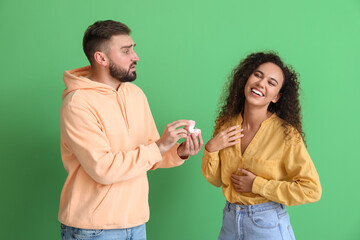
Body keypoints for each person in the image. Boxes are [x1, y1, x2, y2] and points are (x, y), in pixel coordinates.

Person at [58, 20, 203, 240]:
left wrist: (179, 151)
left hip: (136, 224)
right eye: (126, 51)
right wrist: (159, 146)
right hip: (93, 230)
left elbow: (151, 155)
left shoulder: (135, 94)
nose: (135, 56)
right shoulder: (78, 103)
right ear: (101, 58)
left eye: (133, 48)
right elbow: (103, 169)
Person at [202, 52, 322, 240]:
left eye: (271, 83)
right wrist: (211, 149)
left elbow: (311, 190)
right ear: (246, 79)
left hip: (267, 224)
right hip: (230, 221)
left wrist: (257, 184)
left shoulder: (286, 135)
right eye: (258, 75)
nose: (261, 83)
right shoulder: (225, 124)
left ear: (276, 97)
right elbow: (216, 180)